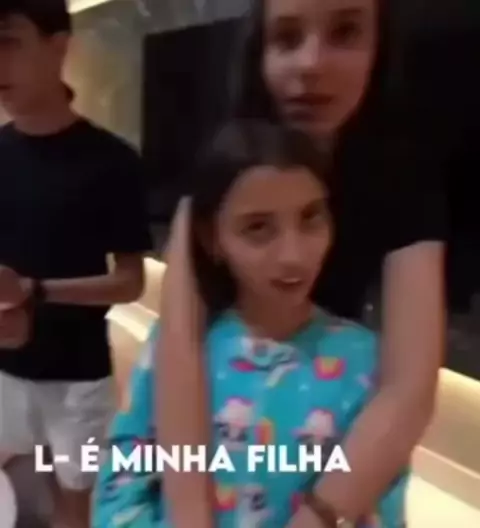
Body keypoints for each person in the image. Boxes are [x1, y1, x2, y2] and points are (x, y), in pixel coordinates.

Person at [160, 0, 445, 526]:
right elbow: (179, 341)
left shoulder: (405, 174)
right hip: (221, 424)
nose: (311, 64)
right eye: (287, 38)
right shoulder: (221, 153)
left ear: (379, 45)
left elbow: (411, 385)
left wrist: (319, 515)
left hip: (331, 422)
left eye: (345, 32)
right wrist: (190, 516)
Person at [93, 120, 409, 527]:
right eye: (258, 228)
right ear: (212, 239)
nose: (293, 255)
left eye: (311, 218)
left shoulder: (364, 361)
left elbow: (379, 501)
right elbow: (123, 482)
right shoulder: (181, 346)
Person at [0, 1, 152, 527]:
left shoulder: (112, 161)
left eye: (7, 41)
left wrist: (35, 291)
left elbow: (130, 283)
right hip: (2, 371)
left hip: (77, 379)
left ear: (59, 46)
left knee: (75, 508)